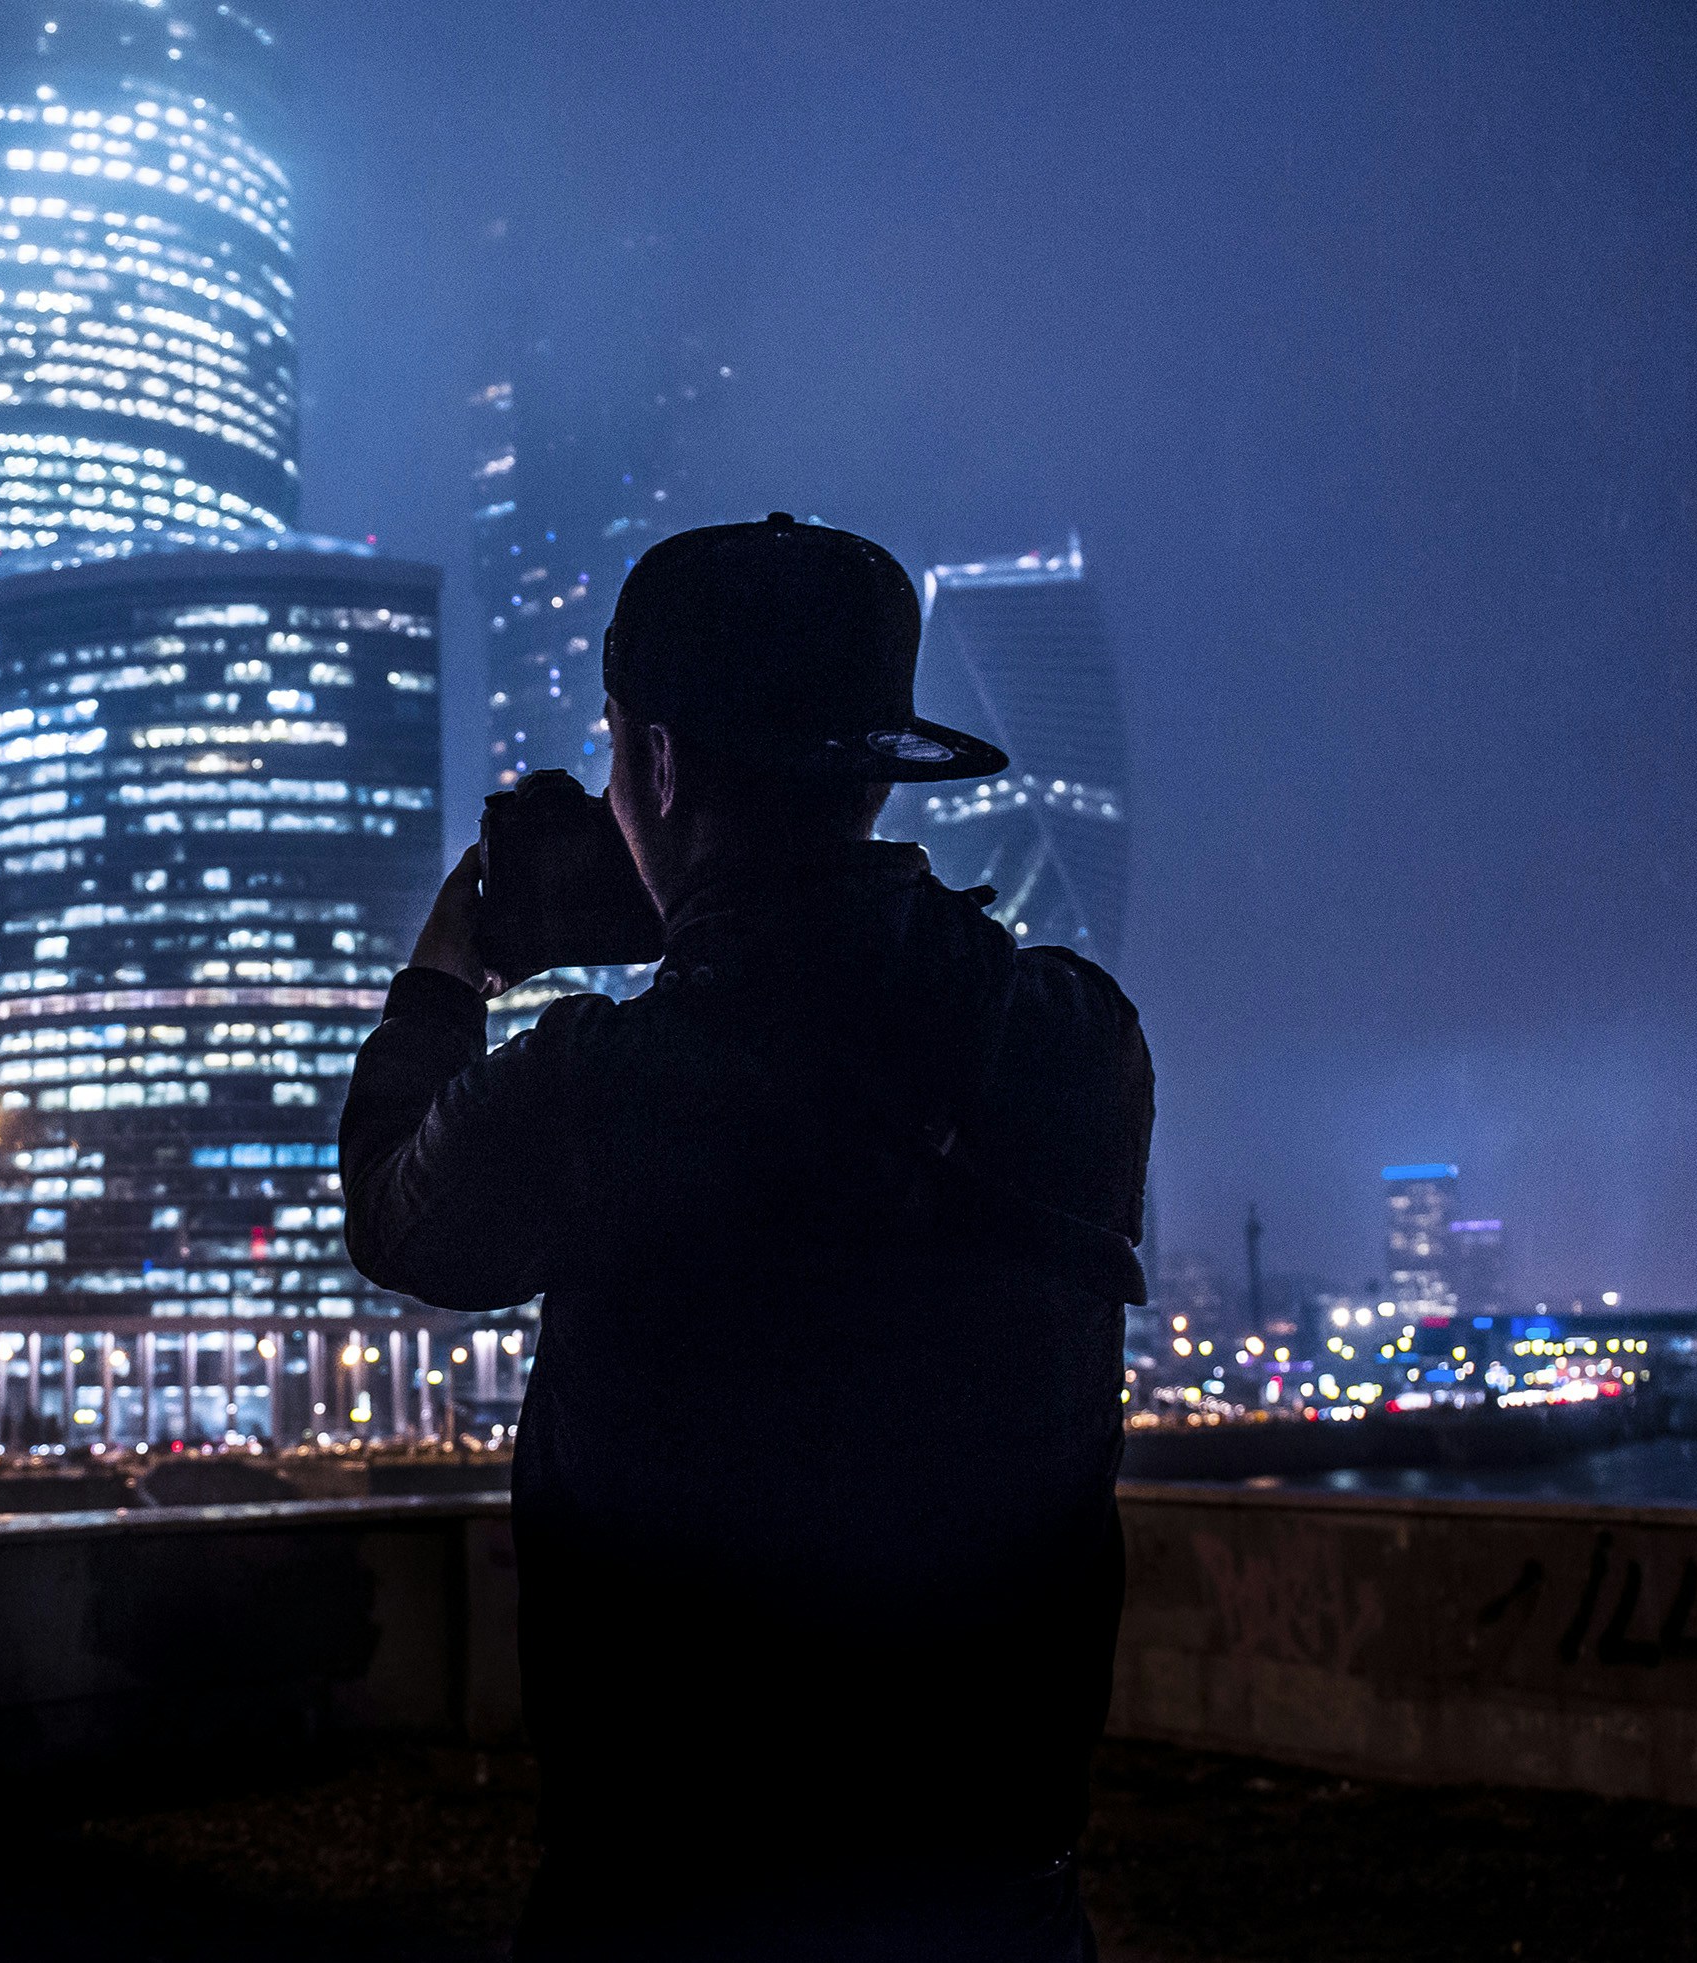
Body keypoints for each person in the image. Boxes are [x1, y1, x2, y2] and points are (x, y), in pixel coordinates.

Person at [341, 516, 1153, 1960]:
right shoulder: (1081, 1044)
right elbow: (842, 1035)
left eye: (619, 757)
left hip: (676, 1903)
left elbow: (396, 1216)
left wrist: (450, 963)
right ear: (877, 762)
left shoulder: (598, 1089)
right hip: (998, 1894)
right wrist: (713, 921)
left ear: (653, 762)